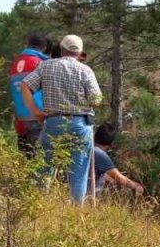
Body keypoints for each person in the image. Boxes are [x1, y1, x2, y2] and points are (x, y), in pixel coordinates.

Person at [18, 34, 103, 204]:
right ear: (79, 53)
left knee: (44, 168)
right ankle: (75, 211)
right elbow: (96, 100)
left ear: (61, 49)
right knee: (78, 171)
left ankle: (40, 208)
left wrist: (36, 112)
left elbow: (25, 85)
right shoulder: (86, 70)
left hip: (53, 121)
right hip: (80, 124)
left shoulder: (46, 66)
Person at [9, 34, 48, 152]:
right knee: (39, 161)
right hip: (37, 118)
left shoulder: (15, 63)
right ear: (43, 47)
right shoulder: (40, 63)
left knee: (25, 160)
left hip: (20, 120)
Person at [93, 123, 145, 196]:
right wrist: (136, 186)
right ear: (112, 143)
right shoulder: (100, 154)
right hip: (89, 199)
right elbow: (120, 178)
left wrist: (109, 178)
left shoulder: (88, 149)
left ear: (95, 136)